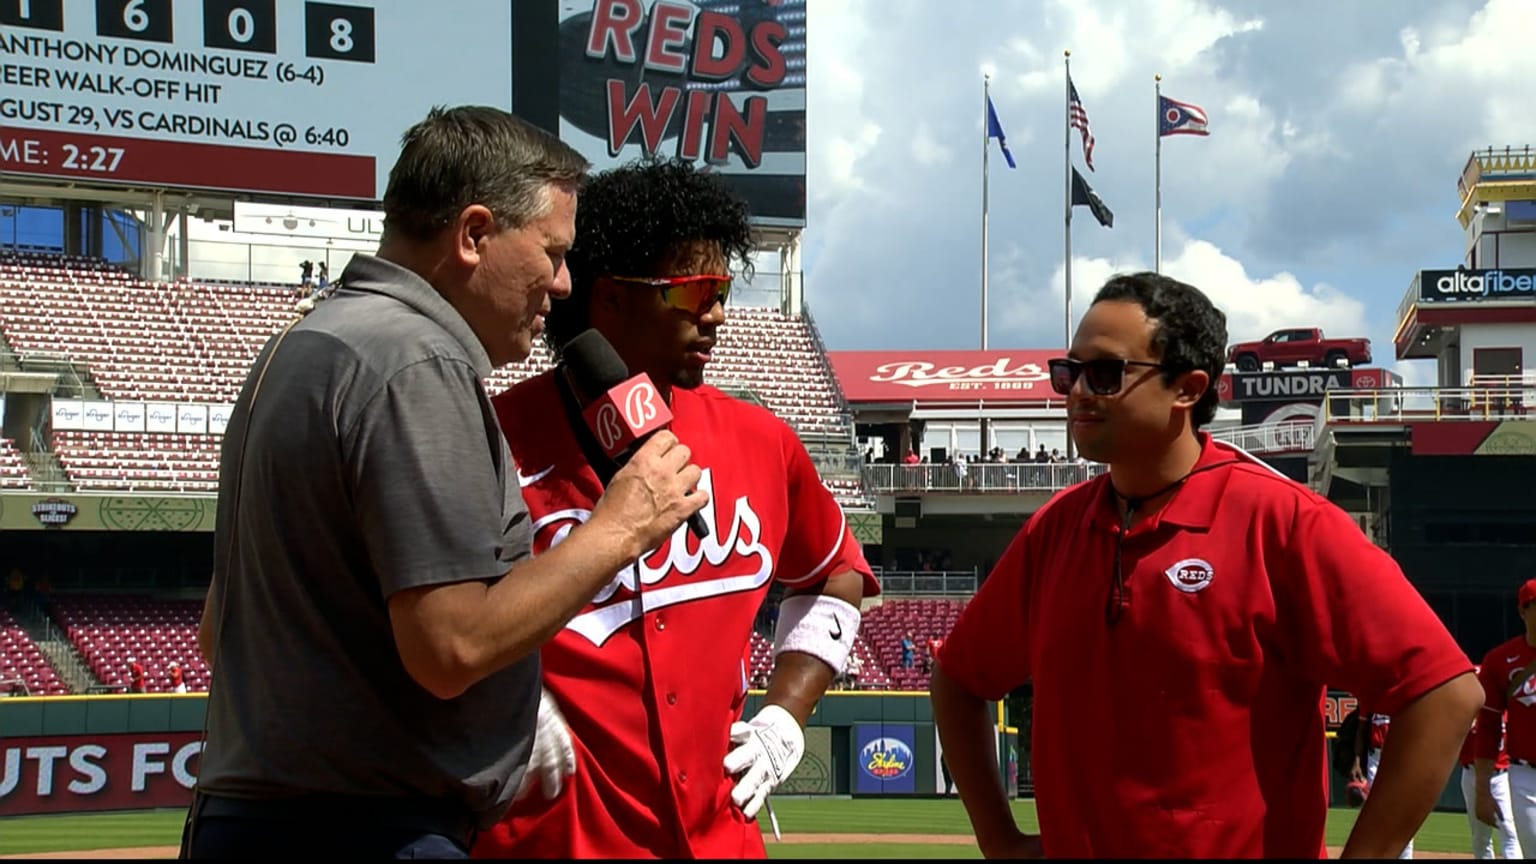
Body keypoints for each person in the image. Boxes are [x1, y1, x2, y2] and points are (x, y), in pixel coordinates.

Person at [186, 107, 708, 859]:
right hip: (365, 830)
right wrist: (622, 526)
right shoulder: (417, 361)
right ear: (473, 234)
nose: (562, 284)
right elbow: (450, 646)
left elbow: (217, 632)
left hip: (249, 816)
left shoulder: (298, 346)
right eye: (553, 251)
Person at [929, 271, 1483, 859]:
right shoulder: (1055, 530)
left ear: (1188, 389)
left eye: (1106, 374)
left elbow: (1445, 693)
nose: (1078, 393)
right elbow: (959, 678)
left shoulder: (1285, 524)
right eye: (1069, 373)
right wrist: (999, 839)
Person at [471, 157, 878, 859]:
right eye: (695, 292)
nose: (718, 312)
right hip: (548, 838)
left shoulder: (761, 439)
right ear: (609, 301)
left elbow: (836, 576)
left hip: (721, 838)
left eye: (722, 287)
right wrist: (489, 692)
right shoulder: (486, 440)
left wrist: (786, 713)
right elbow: (398, 621)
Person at [1474, 578, 1536, 856]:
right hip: (1526, 776)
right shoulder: (1500, 660)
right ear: (1523, 611)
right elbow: (1487, 729)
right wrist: (1482, 790)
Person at [1459, 667, 1521, 860]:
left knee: (1509, 831)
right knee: (1480, 836)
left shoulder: (1505, 711)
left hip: (1500, 776)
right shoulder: (1465, 714)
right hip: (1471, 775)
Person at [1351, 709, 1412, 858]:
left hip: (1400, 755)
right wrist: (1357, 761)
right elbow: (1361, 729)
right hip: (1376, 758)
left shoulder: (1403, 696)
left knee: (1404, 813)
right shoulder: (1372, 696)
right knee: (1376, 811)